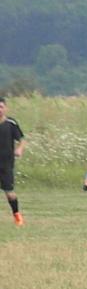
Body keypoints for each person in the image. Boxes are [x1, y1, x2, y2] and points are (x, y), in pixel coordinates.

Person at [0, 96, 25, 227]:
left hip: (6, 164)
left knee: (9, 192)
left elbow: (22, 139)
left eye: (1, 107)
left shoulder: (11, 123)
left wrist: (20, 149)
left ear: (5, 108)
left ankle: (17, 215)